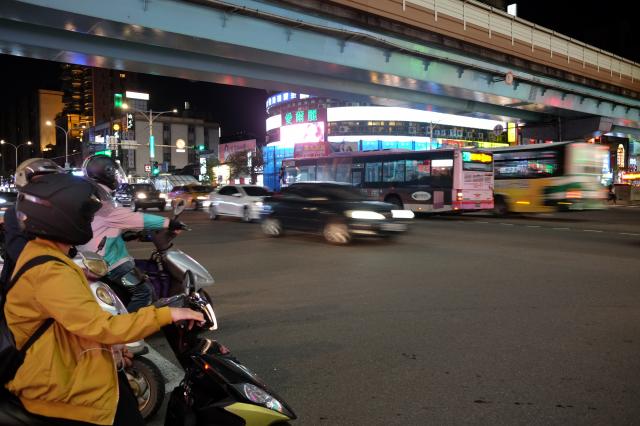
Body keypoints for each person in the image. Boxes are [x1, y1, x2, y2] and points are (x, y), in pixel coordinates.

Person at [2, 173, 203, 425]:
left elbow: (72, 323)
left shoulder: (45, 254)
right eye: (85, 215)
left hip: (66, 371)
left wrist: (110, 349)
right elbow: (101, 326)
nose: (89, 220)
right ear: (62, 218)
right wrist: (167, 314)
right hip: (62, 394)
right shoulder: (50, 271)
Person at [80, 155, 182, 312]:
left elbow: (101, 229)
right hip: (110, 263)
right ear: (107, 174)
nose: (117, 177)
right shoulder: (104, 205)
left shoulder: (93, 197)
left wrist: (126, 236)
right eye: (115, 173)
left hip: (95, 257)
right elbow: (136, 218)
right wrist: (169, 223)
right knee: (144, 291)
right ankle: (131, 324)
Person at [0, 158, 64, 285]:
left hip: (56, 277)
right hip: (23, 282)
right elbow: (19, 253)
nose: (47, 186)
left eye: (52, 181)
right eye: (40, 182)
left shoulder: (60, 212)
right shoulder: (15, 213)